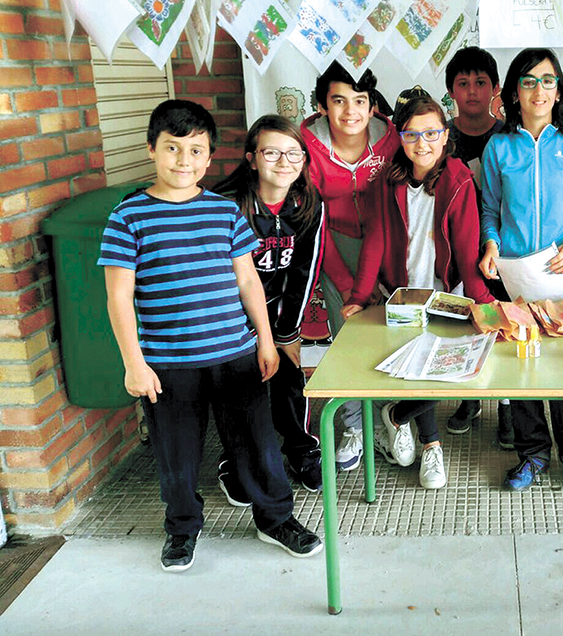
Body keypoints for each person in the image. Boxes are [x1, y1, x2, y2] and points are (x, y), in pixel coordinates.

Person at [99, 100, 322, 572]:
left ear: (209, 156)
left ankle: (276, 519)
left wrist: (266, 341)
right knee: (176, 455)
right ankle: (182, 528)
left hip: (236, 354)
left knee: (258, 444)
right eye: (172, 148)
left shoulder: (224, 211)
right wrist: (134, 363)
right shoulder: (129, 217)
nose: (184, 160)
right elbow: (118, 297)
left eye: (195, 150)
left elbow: (248, 282)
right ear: (151, 149)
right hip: (168, 363)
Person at [341, 89, 494, 489]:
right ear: (400, 137)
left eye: (430, 133)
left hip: (445, 293)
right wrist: (358, 296)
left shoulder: (459, 180)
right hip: (402, 292)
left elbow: (467, 250)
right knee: (412, 370)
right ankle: (431, 445)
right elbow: (375, 239)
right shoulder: (386, 181)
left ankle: (396, 416)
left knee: (445, 370)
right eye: (411, 134)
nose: (421, 143)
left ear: (445, 136)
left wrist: (484, 303)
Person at [479, 47, 563, 492]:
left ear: (559, 90)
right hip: (514, 274)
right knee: (523, 364)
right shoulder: (499, 146)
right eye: (528, 81)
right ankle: (532, 453)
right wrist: (491, 245)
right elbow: (490, 208)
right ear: (515, 92)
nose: (539, 90)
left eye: (548, 81)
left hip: (559, 273)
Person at [211, 115, 326, 501]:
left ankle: (301, 448)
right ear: (252, 158)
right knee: (241, 388)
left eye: (293, 153)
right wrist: (250, 333)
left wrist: (287, 332)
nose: (284, 162)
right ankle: (235, 461)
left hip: (280, 312)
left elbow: (304, 273)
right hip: (233, 316)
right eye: (271, 152)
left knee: (290, 379)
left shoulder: (308, 203)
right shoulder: (228, 204)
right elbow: (220, 279)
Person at [300, 62, 401, 472]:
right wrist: (345, 283)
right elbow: (313, 221)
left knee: (394, 336)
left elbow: (399, 202)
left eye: (359, 101)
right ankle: (355, 425)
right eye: (339, 101)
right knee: (348, 338)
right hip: (333, 244)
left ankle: (393, 420)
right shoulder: (307, 147)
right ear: (323, 105)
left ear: (372, 105)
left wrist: (379, 271)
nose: (350, 112)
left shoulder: (391, 139)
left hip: (387, 241)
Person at [440, 46, 514, 445]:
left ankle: (507, 404)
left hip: (501, 248)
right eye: (463, 83)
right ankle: (470, 398)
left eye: (481, 82)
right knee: (466, 323)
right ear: (450, 90)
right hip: (454, 249)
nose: (472, 91)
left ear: (495, 88)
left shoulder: (508, 136)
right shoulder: (440, 137)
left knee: (502, 321)